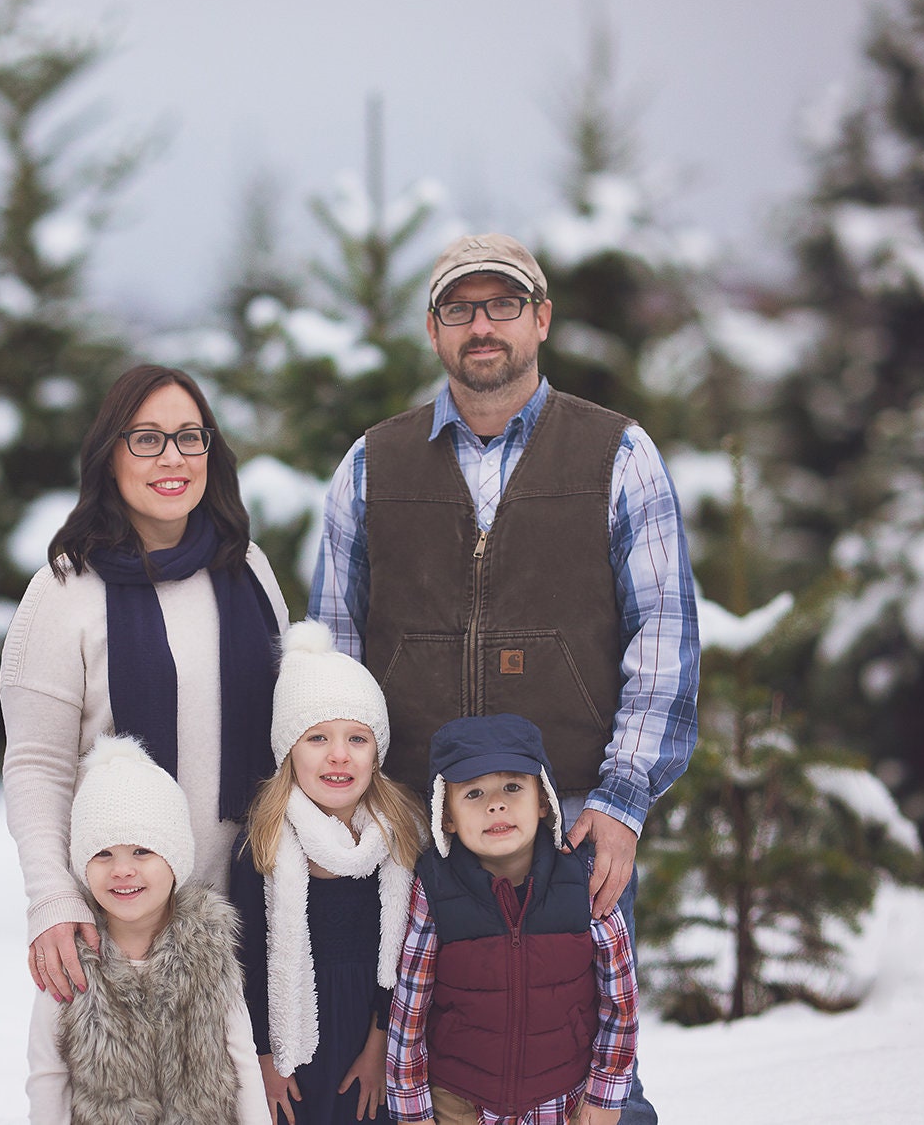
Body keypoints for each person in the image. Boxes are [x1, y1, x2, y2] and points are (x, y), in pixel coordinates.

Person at [309, 233, 696, 1122]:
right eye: (459, 308)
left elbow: (664, 637)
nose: (481, 325)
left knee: (591, 1081)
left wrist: (622, 802)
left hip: (568, 829)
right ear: (434, 329)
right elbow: (334, 653)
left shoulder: (618, 453)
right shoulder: (371, 463)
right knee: (407, 1073)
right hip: (411, 830)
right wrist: (349, 806)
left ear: (541, 319)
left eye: (503, 304)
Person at [1, 363, 289, 1003]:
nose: (173, 457)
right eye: (147, 438)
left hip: (252, 911)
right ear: (110, 457)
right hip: (120, 924)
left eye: (190, 436)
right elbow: (36, 764)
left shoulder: (246, 570)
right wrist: (50, 896)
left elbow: (288, 733)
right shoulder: (64, 591)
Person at [386, 715, 637, 1125]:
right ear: (446, 816)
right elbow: (410, 1007)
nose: (496, 804)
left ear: (543, 801)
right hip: (459, 1101)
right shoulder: (434, 889)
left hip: (562, 1098)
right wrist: (412, 1109)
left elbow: (620, 1002)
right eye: (473, 793)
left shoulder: (582, 881)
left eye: (513, 787)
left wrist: (606, 1094)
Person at [230, 619, 428, 1125]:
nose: (339, 755)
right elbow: (248, 963)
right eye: (317, 737)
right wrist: (265, 1060)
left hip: (373, 1035)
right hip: (291, 1045)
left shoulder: (399, 838)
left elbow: (408, 957)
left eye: (357, 738)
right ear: (288, 750)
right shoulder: (261, 843)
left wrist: (380, 1049)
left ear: (376, 754)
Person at [25, 733, 272, 1124]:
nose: (122, 869)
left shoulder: (209, 953)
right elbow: (48, 1077)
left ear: (175, 860)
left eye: (142, 851)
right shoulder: (70, 962)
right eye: (103, 854)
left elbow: (242, 1061)